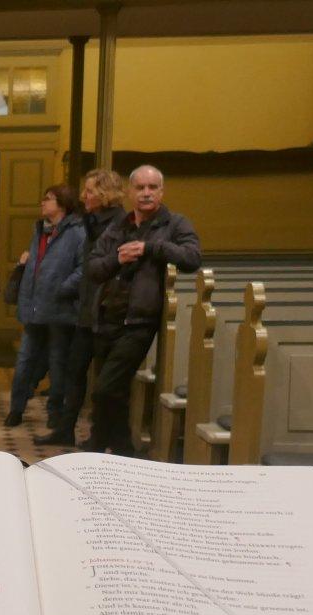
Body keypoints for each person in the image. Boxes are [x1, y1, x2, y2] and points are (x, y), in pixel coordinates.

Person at [82, 165, 201, 456]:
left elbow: (192, 257)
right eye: (140, 188)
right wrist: (117, 258)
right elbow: (94, 268)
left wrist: (151, 248)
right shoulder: (119, 226)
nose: (146, 193)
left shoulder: (174, 223)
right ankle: (123, 451)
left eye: (152, 187)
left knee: (105, 389)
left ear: (161, 191)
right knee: (116, 393)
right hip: (106, 316)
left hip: (138, 321)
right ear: (131, 191)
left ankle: (100, 446)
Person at [39, 168, 128, 446]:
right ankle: (65, 430)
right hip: (86, 311)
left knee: (103, 383)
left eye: (89, 191)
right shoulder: (88, 221)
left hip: (107, 312)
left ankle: (99, 437)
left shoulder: (121, 224)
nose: (84, 196)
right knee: (73, 372)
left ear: (104, 194)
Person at [5, 184, 84, 429]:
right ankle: (16, 409)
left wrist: (63, 288)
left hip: (60, 311)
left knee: (58, 364)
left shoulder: (77, 232)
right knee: (24, 361)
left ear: (63, 204)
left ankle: (54, 414)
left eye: (48, 199)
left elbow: (83, 268)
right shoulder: (39, 230)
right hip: (34, 307)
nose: (42, 202)